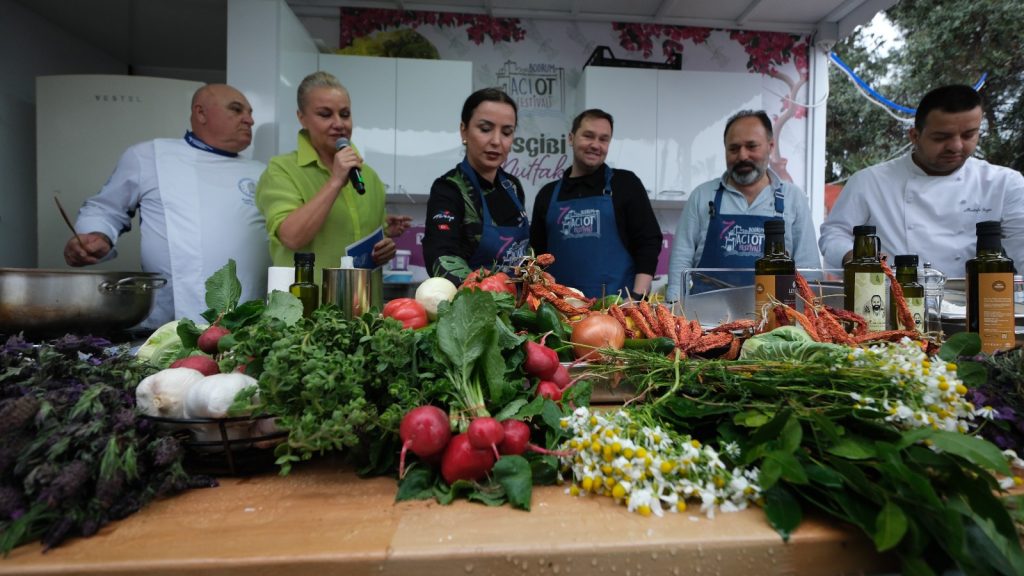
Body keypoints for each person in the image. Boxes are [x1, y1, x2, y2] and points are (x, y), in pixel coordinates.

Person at [63, 83, 270, 329]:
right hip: (167, 321)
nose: (249, 120)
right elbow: (105, 209)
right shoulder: (150, 155)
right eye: (237, 110)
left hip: (248, 320)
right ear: (201, 113)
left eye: (250, 112)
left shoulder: (262, 172)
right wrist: (96, 235)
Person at [819, 84, 1024, 276]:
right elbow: (834, 234)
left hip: (974, 302)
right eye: (941, 137)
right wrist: (855, 259)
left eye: (968, 135)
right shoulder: (870, 182)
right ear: (914, 136)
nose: (956, 146)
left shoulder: (1004, 184)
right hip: (896, 300)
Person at [256, 71, 410, 282]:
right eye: (325, 114)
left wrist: (384, 244)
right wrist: (336, 181)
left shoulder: (370, 176)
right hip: (302, 309)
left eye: (345, 114)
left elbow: (357, 241)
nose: (339, 123)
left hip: (360, 308)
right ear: (302, 118)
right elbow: (291, 237)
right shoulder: (281, 170)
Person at [666, 110, 820, 301]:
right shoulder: (702, 196)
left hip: (775, 318)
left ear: (770, 147)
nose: (742, 156)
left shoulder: (793, 198)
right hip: (706, 319)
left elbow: (809, 271)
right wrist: (674, 306)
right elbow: (681, 259)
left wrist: (810, 314)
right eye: (733, 148)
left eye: (751, 146)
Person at [530, 109, 662, 298]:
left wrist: (637, 297)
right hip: (560, 311)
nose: (595, 145)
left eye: (603, 139)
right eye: (588, 136)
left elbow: (648, 242)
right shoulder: (547, 194)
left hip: (618, 310)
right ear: (571, 138)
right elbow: (536, 257)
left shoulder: (625, 184)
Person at [421, 87, 529, 282]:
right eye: (485, 129)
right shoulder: (448, 189)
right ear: (464, 130)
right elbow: (441, 257)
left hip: (519, 307)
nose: (496, 141)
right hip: (472, 304)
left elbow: (523, 253)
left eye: (506, 132)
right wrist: (489, 289)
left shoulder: (512, 187)